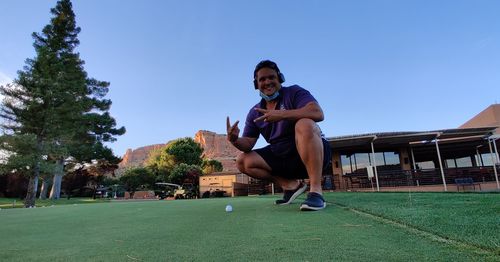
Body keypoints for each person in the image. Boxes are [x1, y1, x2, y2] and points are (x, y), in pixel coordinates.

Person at [226, 60, 331, 211]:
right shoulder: (255, 111)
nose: (267, 82)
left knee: (305, 124)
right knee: (242, 160)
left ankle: (316, 191)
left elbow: (317, 113)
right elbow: (248, 144)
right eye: (262, 79)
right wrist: (234, 140)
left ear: (279, 78)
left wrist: (282, 115)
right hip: (282, 157)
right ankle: (290, 185)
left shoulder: (294, 92)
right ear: (256, 84)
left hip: (310, 153)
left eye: (271, 77)